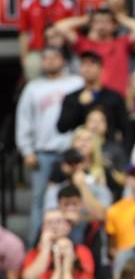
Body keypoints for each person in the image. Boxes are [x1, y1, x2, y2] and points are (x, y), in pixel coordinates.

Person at [16, 46, 84, 246]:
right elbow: (24, 119)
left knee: (76, 197)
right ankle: (35, 244)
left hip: (73, 151)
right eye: (46, 57)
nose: (51, 61)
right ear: (41, 62)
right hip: (43, 152)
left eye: (55, 56)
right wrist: (26, 149)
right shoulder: (33, 87)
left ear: (63, 60)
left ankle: (76, 244)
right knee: (39, 201)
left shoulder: (76, 82)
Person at [52, 7, 135, 96]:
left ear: (115, 26)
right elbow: (60, 26)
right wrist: (84, 19)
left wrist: (120, 18)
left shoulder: (122, 43)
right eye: (98, 21)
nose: (102, 25)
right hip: (91, 97)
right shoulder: (84, 44)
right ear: (91, 25)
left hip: (118, 97)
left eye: (107, 21)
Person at [56, 51, 131, 149]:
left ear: (100, 68)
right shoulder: (72, 97)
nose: (87, 68)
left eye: (92, 64)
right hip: (81, 151)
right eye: (84, 64)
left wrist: (124, 152)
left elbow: (126, 129)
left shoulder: (114, 97)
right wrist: (79, 104)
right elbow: (62, 127)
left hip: (109, 151)